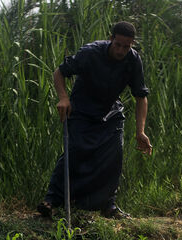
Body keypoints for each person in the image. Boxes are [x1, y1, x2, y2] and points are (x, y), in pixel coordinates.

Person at [37, 21, 153, 219]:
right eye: (118, 45)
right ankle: (52, 200)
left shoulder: (133, 60)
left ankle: (108, 205)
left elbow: (141, 96)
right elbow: (59, 73)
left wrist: (140, 131)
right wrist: (63, 98)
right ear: (111, 39)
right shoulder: (90, 53)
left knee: (114, 154)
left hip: (110, 112)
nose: (121, 50)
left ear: (132, 44)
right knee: (75, 151)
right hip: (81, 108)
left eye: (126, 46)